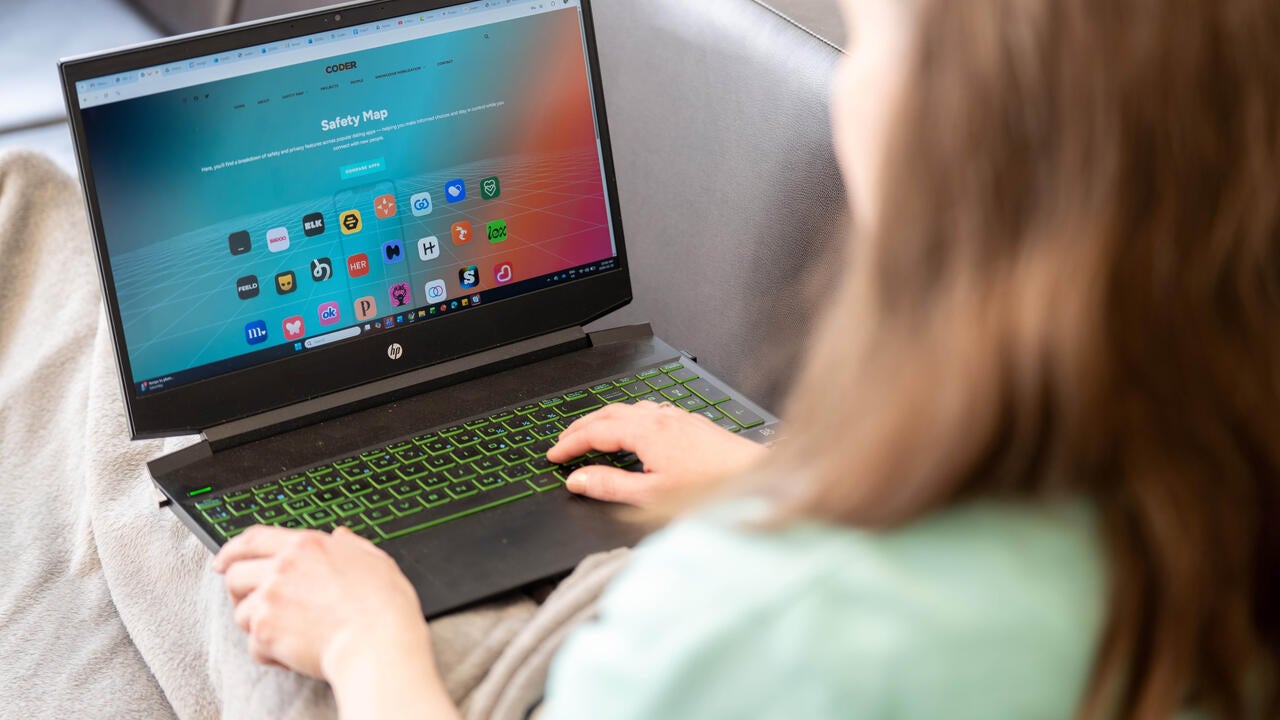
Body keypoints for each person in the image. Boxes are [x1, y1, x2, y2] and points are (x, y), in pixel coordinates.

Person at [212, 0, 1280, 717]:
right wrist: (785, 484)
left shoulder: (757, 626)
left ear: (955, 144)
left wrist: (366, 645)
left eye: (864, 41)